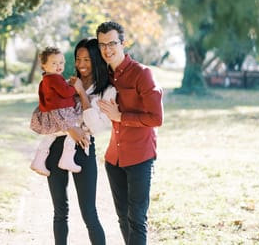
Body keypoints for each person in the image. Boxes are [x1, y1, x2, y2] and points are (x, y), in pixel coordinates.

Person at [96, 21, 164, 245]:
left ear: (123, 43)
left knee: (136, 218)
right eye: (102, 44)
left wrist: (121, 117)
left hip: (139, 157)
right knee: (123, 218)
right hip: (113, 159)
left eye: (112, 43)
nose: (107, 49)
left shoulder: (142, 74)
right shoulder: (105, 75)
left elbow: (156, 118)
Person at [45, 38, 116, 245]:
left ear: (96, 61)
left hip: (84, 148)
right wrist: (70, 128)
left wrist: (81, 93)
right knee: (60, 212)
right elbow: (49, 111)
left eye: (87, 59)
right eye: (78, 59)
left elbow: (95, 127)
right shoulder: (64, 83)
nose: (81, 64)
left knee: (89, 213)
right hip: (57, 147)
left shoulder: (107, 91)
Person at [29, 46, 88, 176]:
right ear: (44, 66)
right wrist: (75, 87)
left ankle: (38, 160)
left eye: (61, 62)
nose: (58, 66)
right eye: (54, 63)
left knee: (52, 134)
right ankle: (67, 158)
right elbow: (65, 92)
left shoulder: (46, 79)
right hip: (62, 112)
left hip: (53, 112)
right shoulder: (55, 78)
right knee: (74, 130)